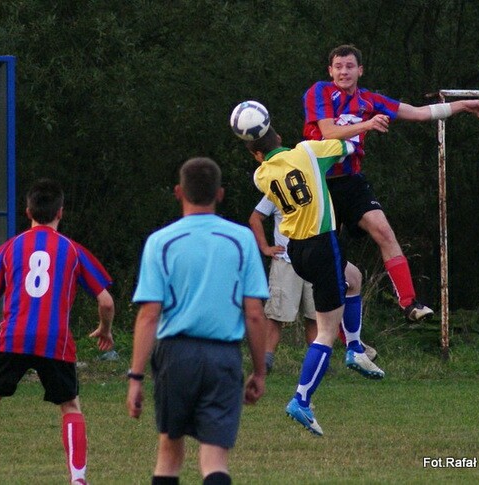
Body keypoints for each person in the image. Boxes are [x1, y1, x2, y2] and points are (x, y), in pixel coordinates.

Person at [302, 44, 479, 322]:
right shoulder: (320, 91)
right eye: (339, 67)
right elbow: (329, 132)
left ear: (360, 70)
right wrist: (367, 125)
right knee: (334, 264)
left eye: (350, 66)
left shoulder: (369, 100)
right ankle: (345, 336)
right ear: (330, 70)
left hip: (351, 182)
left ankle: (409, 303)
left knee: (383, 231)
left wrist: (462, 106)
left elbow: (419, 113)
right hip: (319, 183)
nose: (344, 72)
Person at [0, 179, 115, 485]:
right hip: (55, 340)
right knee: (70, 406)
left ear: (28, 212)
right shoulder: (72, 250)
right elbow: (106, 301)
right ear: (60, 212)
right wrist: (105, 329)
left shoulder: (10, 247)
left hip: (14, 337)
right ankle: (78, 480)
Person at [127, 157, 268, 485]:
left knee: (169, 453)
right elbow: (254, 313)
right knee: (215, 457)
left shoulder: (161, 242)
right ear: (220, 194)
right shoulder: (242, 240)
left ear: (179, 192)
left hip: (175, 355)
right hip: (223, 357)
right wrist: (260, 371)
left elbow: (149, 315)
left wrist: (135, 377)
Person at [244, 125, 384, 436]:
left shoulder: (261, 175)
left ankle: (355, 347)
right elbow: (349, 146)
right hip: (322, 245)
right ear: (280, 137)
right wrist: (365, 123)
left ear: (257, 155)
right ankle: (302, 400)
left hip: (297, 251)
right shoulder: (308, 151)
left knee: (354, 277)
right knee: (325, 333)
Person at [248, 196, 377, 373]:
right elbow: (255, 218)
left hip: (316, 260)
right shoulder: (277, 186)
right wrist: (265, 248)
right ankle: (265, 361)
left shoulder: (318, 189)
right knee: (277, 315)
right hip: (286, 261)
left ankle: (319, 362)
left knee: (316, 316)